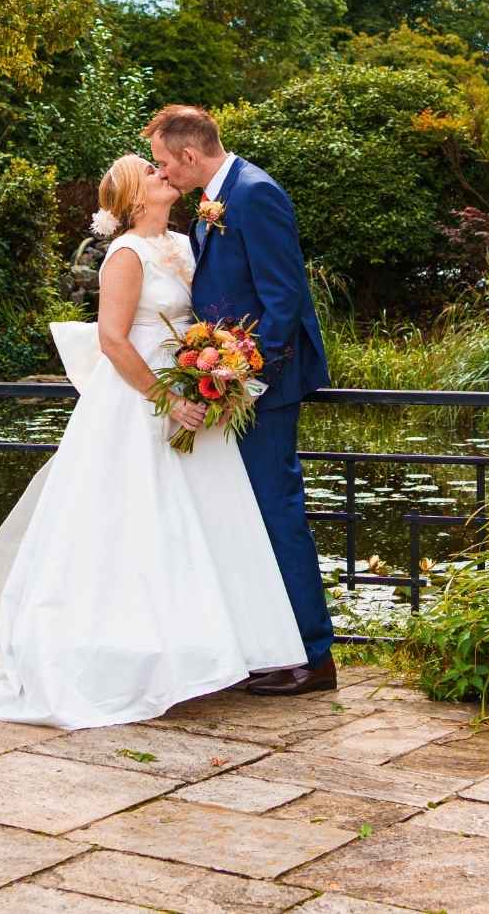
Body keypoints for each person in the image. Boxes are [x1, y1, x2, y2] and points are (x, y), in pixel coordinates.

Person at [0, 154, 306, 728]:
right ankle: (123, 652)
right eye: (153, 172)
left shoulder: (188, 244)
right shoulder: (125, 255)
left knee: (201, 523)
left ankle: (204, 648)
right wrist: (166, 397)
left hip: (193, 394)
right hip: (140, 403)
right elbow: (112, 340)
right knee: (130, 522)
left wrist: (217, 370)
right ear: (135, 198)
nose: (166, 175)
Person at [145, 104, 337, 695]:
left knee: (277, 513)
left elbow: (284, 301)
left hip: (263, 388)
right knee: (241, 514)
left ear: (189, 156)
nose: (161, 174)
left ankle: (313, 655)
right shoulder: (214, 200)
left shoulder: (256, 194)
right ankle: (260, 645)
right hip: (228, 378)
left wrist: (244, 380)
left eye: (161, 162)